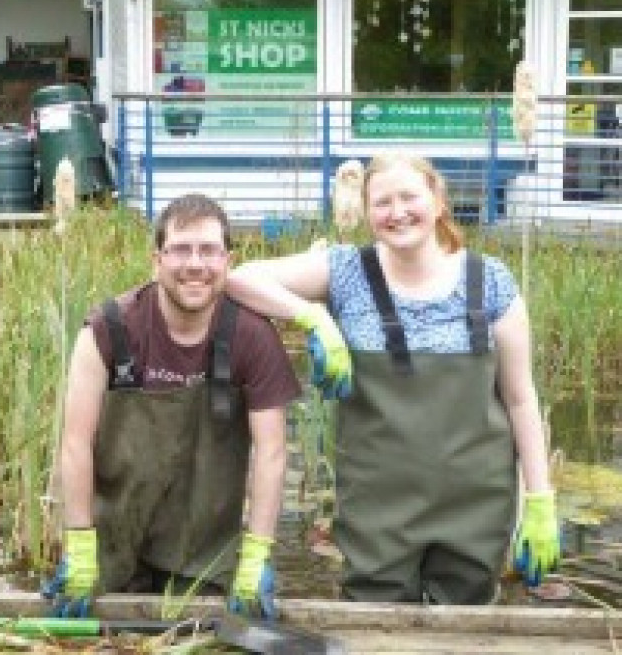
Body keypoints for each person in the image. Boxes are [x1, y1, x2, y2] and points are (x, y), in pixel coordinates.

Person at [226, 152, 560, 604]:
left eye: (409, 197)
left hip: (476, 502)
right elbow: (238, 279)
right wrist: (313, 318)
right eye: (382, 202)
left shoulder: (491, 282)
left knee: (466, 625)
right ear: (366, 212)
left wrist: (540, 501)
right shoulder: (346, 272)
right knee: (373, 620)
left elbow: (520, 399)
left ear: (438, 201)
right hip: (376, 506)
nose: (397, 212)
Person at [43, 193, 302, 618]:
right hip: (112, 543)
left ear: (228, 261)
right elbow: (75, 444)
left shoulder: (253, 336)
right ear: (157, 260)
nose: (195, 264)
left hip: (205, 551)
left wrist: (257, 554)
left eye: (209, 250)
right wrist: (80, 544)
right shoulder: (107, 329)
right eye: (181, 249)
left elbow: (272, 453)